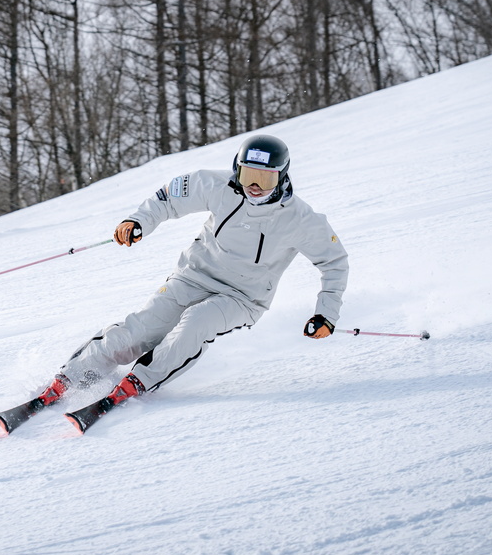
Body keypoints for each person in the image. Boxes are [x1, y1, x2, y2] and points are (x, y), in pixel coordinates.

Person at [32, 133, 348, 432]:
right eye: (248, 175)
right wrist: (137, 221)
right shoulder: (217, 184)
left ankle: (140, 380)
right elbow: (168, 197)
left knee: (196, 322)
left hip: (242, 298)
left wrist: (326, 314)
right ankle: (72, 378)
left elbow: (334, 262)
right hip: (193, 276)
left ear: (282, 176)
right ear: (236, 169)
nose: (254, 186)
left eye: (265, 178)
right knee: (142, 329)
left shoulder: (302, 219)